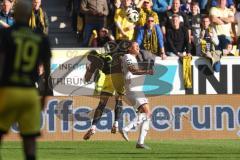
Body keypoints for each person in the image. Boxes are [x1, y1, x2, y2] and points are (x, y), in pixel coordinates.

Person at [0, 0, 52, 160]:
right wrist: (44, 96)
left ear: (14, 15)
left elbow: (1, 62)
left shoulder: (6, 34)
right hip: (30, 93)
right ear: (30, 16)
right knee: (29, 139)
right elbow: (47, 70)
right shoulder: (40, 37)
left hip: (9, 91)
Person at [83, 41, 128, 140]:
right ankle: (116, 123)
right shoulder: (118, 55)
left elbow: (86, 79)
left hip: (108, 78)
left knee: (102, 104)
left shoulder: (97, 59)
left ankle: (93, 127)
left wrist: (87, 69)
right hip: (118, 77)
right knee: (119, 100)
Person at [120, 42, 153, 149]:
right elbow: (132, 70)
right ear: (129, 48)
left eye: (139, 46)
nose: (138, 47)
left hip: (135, 87)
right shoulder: (127, 56)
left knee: (147, 115)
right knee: (147, 113)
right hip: (133, 87)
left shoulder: (133, 58)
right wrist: (147, 71)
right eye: (136, 46)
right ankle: (126, 128)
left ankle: (140, 142)